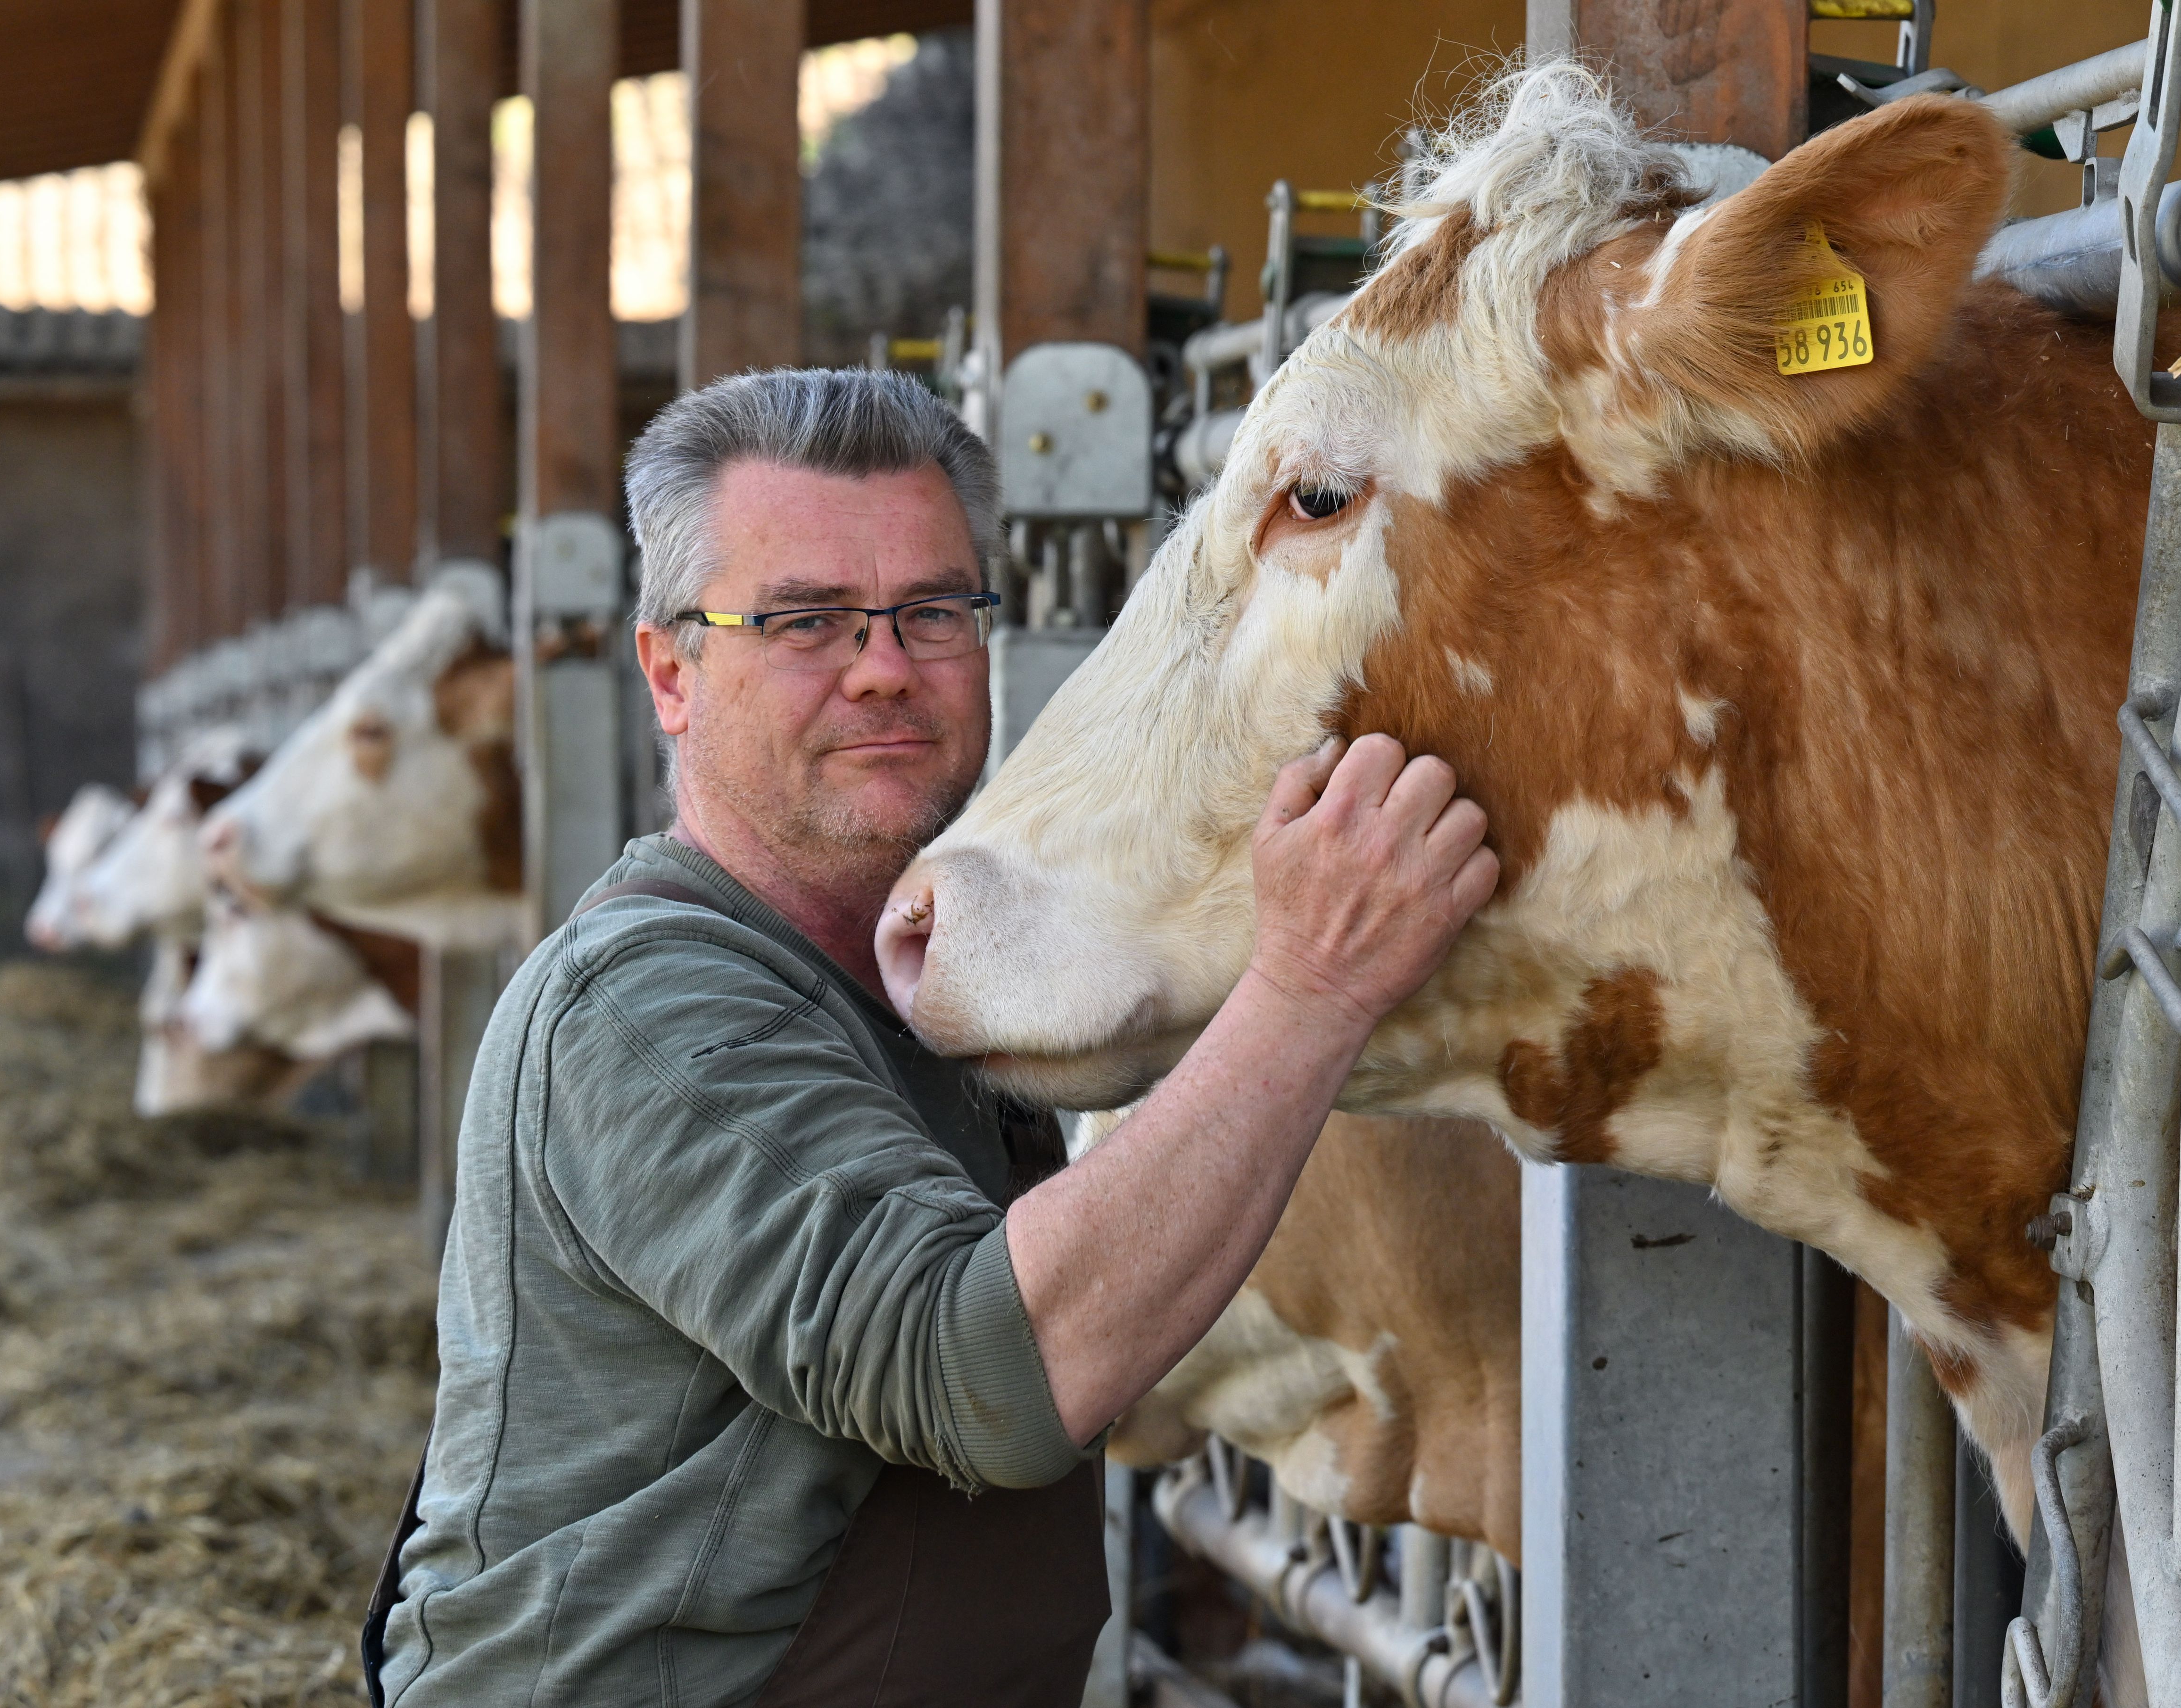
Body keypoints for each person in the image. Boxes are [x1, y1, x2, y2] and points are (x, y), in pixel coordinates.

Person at [368, 369, 1496, 1707]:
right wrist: (1312, 984)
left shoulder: (925, 989)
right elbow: (987, 1378)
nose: (885, 669)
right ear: (672, 674)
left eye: (932, 612)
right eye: (804, 621)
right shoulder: (646, 1005)